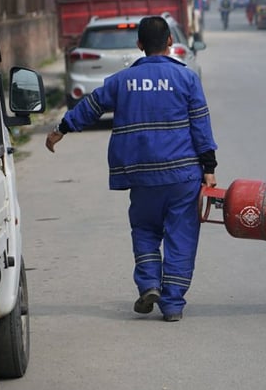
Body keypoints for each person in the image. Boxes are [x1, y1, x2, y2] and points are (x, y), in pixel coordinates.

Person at [45, 16, 218, 323]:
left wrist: (61, 128)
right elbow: (200, 126)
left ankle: (150, 284)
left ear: (139, 45)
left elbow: (91, 106)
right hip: (182, 176)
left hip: (141, 175)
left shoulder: (122, 81)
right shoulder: (187, 78)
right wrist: (209, 168)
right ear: (169, 43)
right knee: (181, 236)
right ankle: (173, 304)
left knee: (145, 229)